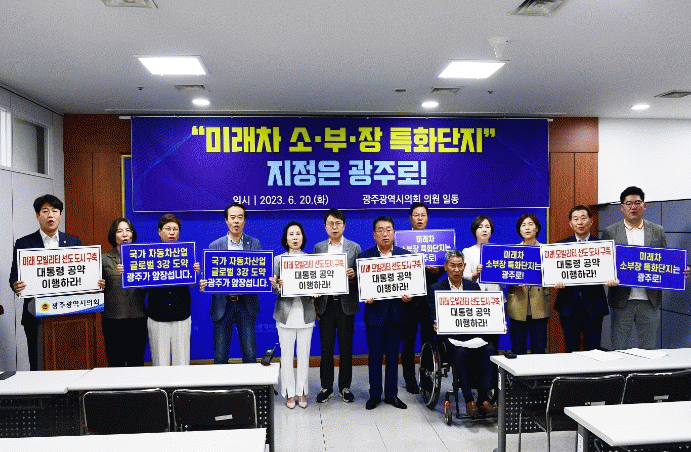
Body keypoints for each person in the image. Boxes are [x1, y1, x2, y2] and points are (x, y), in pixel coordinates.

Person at [601, 186, 690, 350]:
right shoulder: (610, 231)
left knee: (648, 349)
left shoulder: (657, 230)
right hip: (621, 300)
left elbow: (665, 262)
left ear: (645, 205)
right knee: (619, 348)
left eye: (637, 202)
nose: (633, 207)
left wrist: (680, 271)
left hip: (650, 300)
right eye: (628, 203)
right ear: (622, 207)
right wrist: (606, 277)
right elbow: (604, 263)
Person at [9, 194, 84, 371]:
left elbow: (81, 273)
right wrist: (15, 285)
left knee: (67, 361)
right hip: (35, 314)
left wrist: (94, 282)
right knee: (38, 363)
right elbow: (14, 275)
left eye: (55, 211)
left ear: (60, 215)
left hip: (66, 314)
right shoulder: (24, 243)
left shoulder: (73, 242)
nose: (50, 215)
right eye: (45, 211)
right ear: (37, 215)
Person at [428, 250, 497, 418]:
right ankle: (468, 400)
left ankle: (483, 399)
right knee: (460, 353)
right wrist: (435, 323)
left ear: (464, 266)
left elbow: (483, 312)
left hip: (473, 335)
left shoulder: (473, 287)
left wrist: (496, 322)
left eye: (460, 265)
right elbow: (431, 314)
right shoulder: (436, 288)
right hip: (451, 338)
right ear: (446, 267)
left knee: (489, 350)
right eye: (453, 265)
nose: (456, 269)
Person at [359, 216, 415, 410]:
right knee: (374, 356)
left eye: (388, 229)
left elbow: (412, 284)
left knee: (393, 356)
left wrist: (410, 296)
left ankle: (392, 394)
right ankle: (374, 394)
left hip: (397, 314)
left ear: (394, 233)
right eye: (380, 230)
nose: (385, 234)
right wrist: (365, 296)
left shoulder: (405, 256)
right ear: (374, 235)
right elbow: (360, 285)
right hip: (374, 314)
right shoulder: (364, 257)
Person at [312, 209, 361, 404]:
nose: (334, 227)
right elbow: (313, 278)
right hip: (326, 305)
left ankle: (345, 387)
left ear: (344, 226)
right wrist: (315, 304)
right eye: (330, 223)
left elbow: (362, 279)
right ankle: (326, 387)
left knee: (346, 348)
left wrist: (354, 275)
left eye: (338, 223)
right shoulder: (318, 248)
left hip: (345, 305)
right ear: (325, 227)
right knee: (326, 348)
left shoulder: (354, 248)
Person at [204, 202, 262, 364]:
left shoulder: (255, 244)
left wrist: (267, 279)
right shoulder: (215, 246)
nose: (236, 221)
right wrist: (205, 282)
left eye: (240, 217)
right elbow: (210, 274)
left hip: (246, 304)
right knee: (220, 356)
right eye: (232, 217)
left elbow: (260, 271)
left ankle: (249, 382)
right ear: (226, 220)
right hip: (223, 305)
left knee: (250, 355)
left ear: (244, 220)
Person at [270, 221, 316, 409]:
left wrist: (317, 291)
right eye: (291, 234)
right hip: (285, 314)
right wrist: (276, 285)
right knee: (286, 356)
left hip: (306, 314)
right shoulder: (278, 260)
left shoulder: (311, 260)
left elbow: (317, 283)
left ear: (302, 237)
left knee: (304, 356)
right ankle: (289, 393)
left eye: (298, 234)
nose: (295, 237)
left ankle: (302, 391)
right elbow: (275, 291)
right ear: (286, 238)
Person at [553, 206, 610, 352]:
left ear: (591, 221)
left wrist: (610, 279)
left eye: (583, 218)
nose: (580, 222)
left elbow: (609, 272)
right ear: (570, 223)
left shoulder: (603, 247)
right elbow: (554, 274)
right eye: (576, 219)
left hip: (594, 305)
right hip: (569, 306)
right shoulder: (560, 247)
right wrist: (555, 281)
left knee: (593, 350)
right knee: (571, 349)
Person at [146, 213, 200, 366]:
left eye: (175, 229)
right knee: (160, 362)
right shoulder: (148, 255)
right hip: (157, 315)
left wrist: (195, 273)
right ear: (159, 231)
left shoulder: (187, 254)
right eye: (167, 229)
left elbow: (192, 285)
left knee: (182, 361)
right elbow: (142, 285)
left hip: (181, 315)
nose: (172, 233)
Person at [101, 218, 148, 366]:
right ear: (113, 235)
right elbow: (98, 290)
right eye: (120, 231)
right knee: (116, 362)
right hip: (113, 319)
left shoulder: (142, 257)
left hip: (137, 317)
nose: (125, 234)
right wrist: (99, 285)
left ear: (132, 234)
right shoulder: (104, 259)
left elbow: (147, 287)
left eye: (128, 230)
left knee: (136, 361)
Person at [402, 202, 437, 394]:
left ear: (427, 218)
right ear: (410, 218)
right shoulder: (402, 242)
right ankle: (409, 379)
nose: (420, 218)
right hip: (408, 299)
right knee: (408, 340)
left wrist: (438, 269)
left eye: (423, 215)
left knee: (428, 339)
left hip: (429, 298)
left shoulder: (437, 241)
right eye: (416, 215)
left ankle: (426, 377)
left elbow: (445, 267)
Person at [506, 213, 551, 355]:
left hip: (540, 303)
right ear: (519, 230)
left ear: (537, 228)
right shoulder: (511, 252)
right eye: (523, 225)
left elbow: (553, 274)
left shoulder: (547, 251)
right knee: (518, 347)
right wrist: (513, 281)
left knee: (539, 347)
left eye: (530, 224)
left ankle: (538, 371)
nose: (527, 228)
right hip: (518, 303)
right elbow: (504, 276)